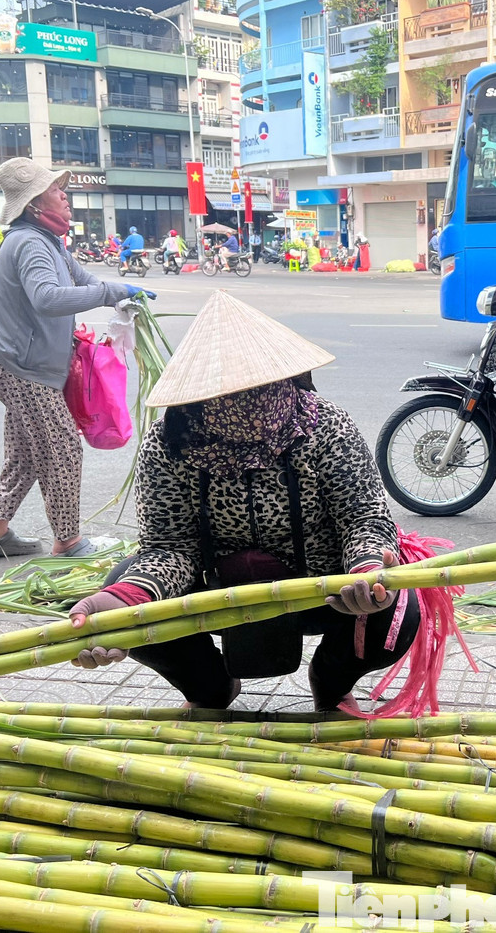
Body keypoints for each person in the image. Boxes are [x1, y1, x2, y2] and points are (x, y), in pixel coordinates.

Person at [65, 291, 420, 710]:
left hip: (323, 587)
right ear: (200, 395)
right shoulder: (170, 443)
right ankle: (210, 688)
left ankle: (331, 681)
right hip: (210, 589)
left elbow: (362, 518)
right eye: (231, 392)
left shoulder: (326, 426)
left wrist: (366, 568)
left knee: (400, 606)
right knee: (121, 596)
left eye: (263, 386)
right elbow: (169, 547)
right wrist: (125, 602)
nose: (251, 402)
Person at [0, 158, 152, 560]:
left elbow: (83, 280)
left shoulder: (48, 240)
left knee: (26, 450)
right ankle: (68, 541)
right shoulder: (29, 243)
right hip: (23, 367)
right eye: (57, 190)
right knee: (61, 446)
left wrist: (119, 291)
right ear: (35, 204)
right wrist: (109, 294)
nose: (65, 195)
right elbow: (48, 298)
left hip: (22, 363)